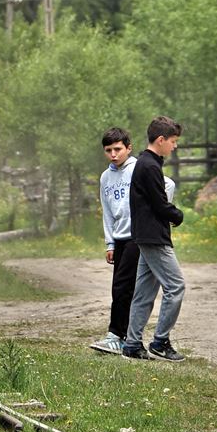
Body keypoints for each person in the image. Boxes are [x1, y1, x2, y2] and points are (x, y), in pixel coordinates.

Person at [122, 116, 187, 362]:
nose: (175, 146)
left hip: (145, 235)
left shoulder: (147, 164)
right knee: (175, 286)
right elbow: (160, 205)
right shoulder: (149, 166)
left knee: (144, 293)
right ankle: (160, 342)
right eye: (173, 141)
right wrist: (177, 215)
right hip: (153, 236)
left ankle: (132, 344)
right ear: (160, 140)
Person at [90, 128, 138, 355]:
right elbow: (107, 212)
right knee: (121, 288)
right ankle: (124, 336)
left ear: (128, 148)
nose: (113, 154)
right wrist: (110, 244)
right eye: (108, 150)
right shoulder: (105, 177)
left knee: (126, 288)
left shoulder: (138, 169)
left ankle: (117, 335)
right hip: (119, 238)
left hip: (137, 236)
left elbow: (167, 185)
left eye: (118, 149)